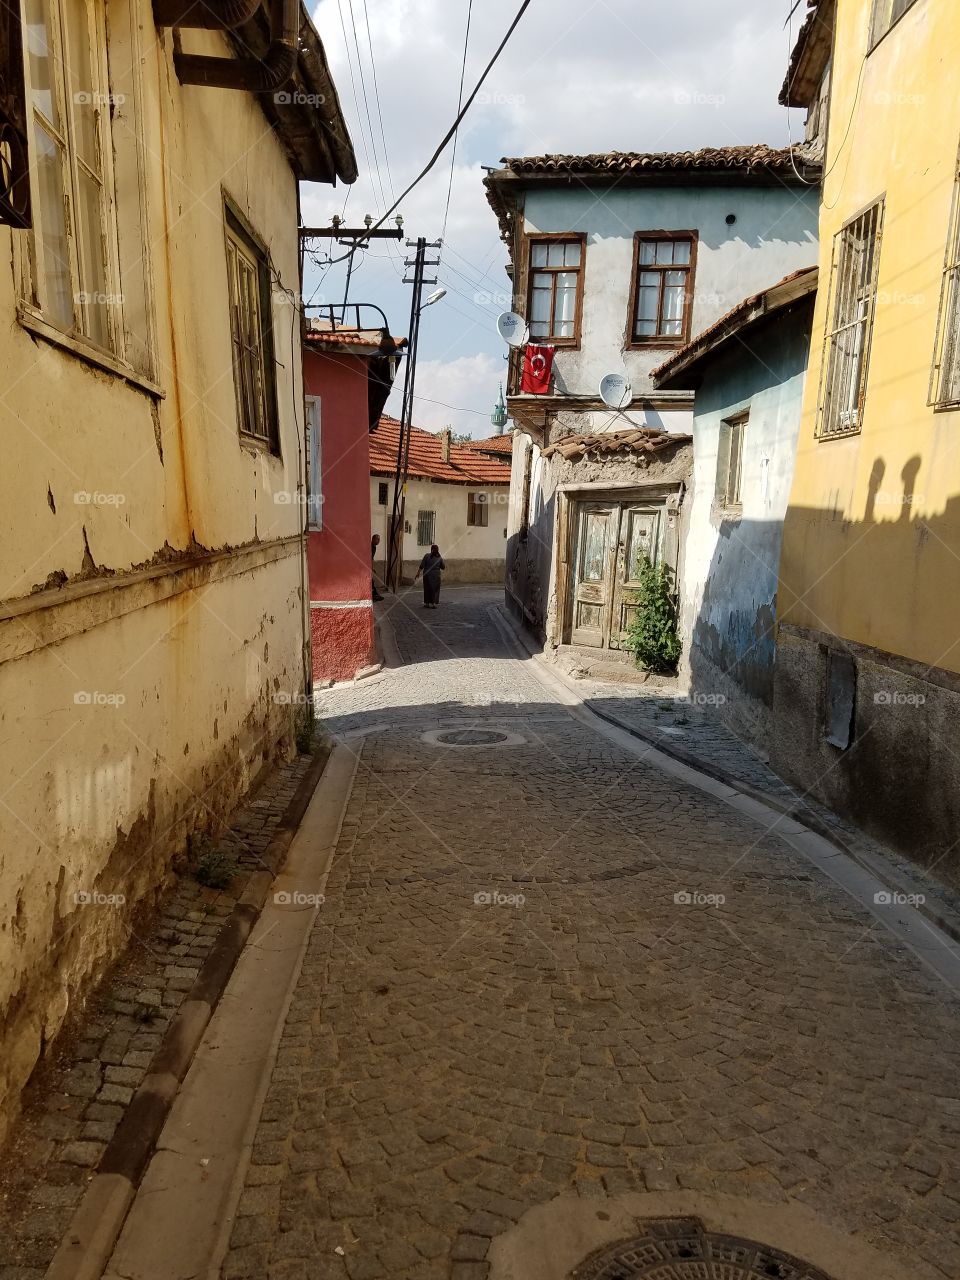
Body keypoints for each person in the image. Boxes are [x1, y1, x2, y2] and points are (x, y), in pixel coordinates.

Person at [415, 544, 445, 609]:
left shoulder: (426, 556)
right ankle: (433, 603)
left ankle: (427, 603)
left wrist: (418, 573)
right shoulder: (439, 558)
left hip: (427, 575)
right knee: (435, 590)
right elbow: (443, 567)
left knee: (427, 589)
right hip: (436, 576)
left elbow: (421, 565)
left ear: (431, 549)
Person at [370, 533, 384, 602]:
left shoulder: (374, 547)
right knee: (371, 581)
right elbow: (369, 558)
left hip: (368, 566)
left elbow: (371, 558)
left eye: (379, 539)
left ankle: (374, 595)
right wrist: (371, 567)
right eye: (377, 539)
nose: (379, 541)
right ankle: (374, 595)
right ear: (373, 539)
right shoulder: (371, 546)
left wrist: (372, 567)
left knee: (371, 581)